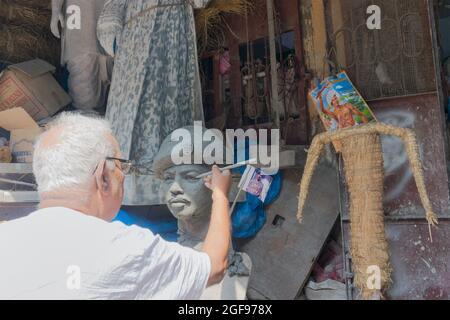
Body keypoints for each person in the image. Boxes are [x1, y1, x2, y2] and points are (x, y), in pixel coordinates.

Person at [0, 113, 231, 300]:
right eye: (122, 167)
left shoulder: (6, 239)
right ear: (103, 177)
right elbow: (213, 267)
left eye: (189, 176)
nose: (175, 189)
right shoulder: (128, 249)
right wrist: (220, 194)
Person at [96, 0, 209, 205]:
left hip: (173, 32)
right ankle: (126, 182)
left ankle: (171, 178)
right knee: (133, 108)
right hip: (136, 34)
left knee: (171, 101)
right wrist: (111, 26)